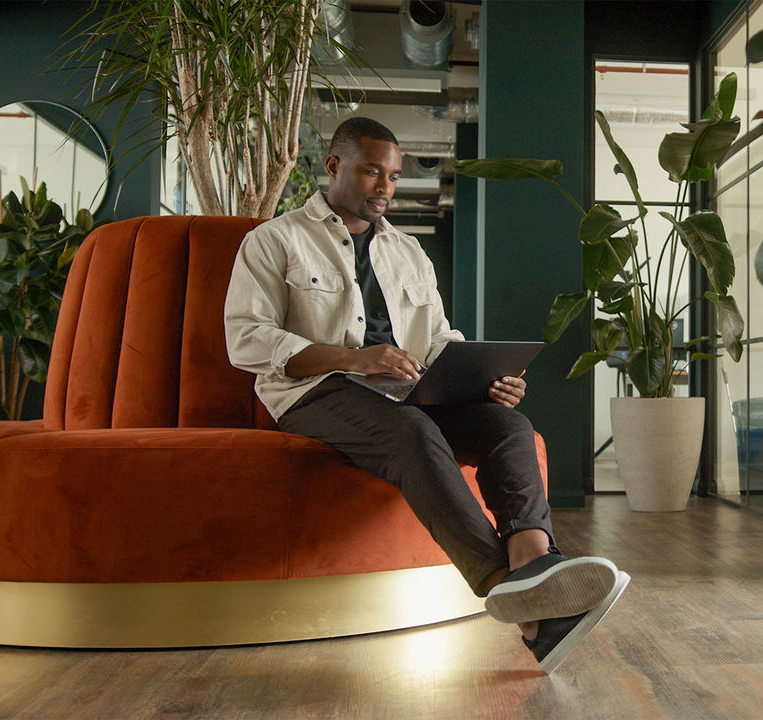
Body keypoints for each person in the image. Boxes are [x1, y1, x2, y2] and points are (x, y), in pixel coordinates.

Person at [224, 117, 628, 672]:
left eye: (393, 176)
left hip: (406, 389)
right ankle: (503, 584)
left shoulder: (408, 251)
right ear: (334, 165)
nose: (385, 187)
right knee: (412, 432)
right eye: (372, 172)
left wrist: (483, 378)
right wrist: (352, 358)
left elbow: (437, 338)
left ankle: (535, 566)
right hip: (314, 391)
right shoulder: (274, 240)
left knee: (508, 426)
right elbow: (246, 339)